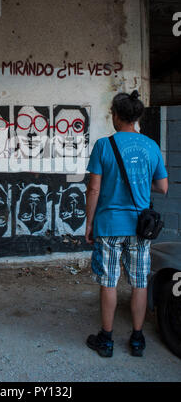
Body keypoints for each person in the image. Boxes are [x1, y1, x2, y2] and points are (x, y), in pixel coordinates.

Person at [85, 90, 168, 357]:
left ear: (117, 116)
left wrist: (89, 223)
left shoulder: (103, 146)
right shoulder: (151, 146)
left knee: (109, 282)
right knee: (139, 283)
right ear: (137, 117)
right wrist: (141, 184)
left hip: (109, 226)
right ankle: (137, 339)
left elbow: (94, 189)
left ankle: (106, 340)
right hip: (140, 228)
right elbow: (163, 187)